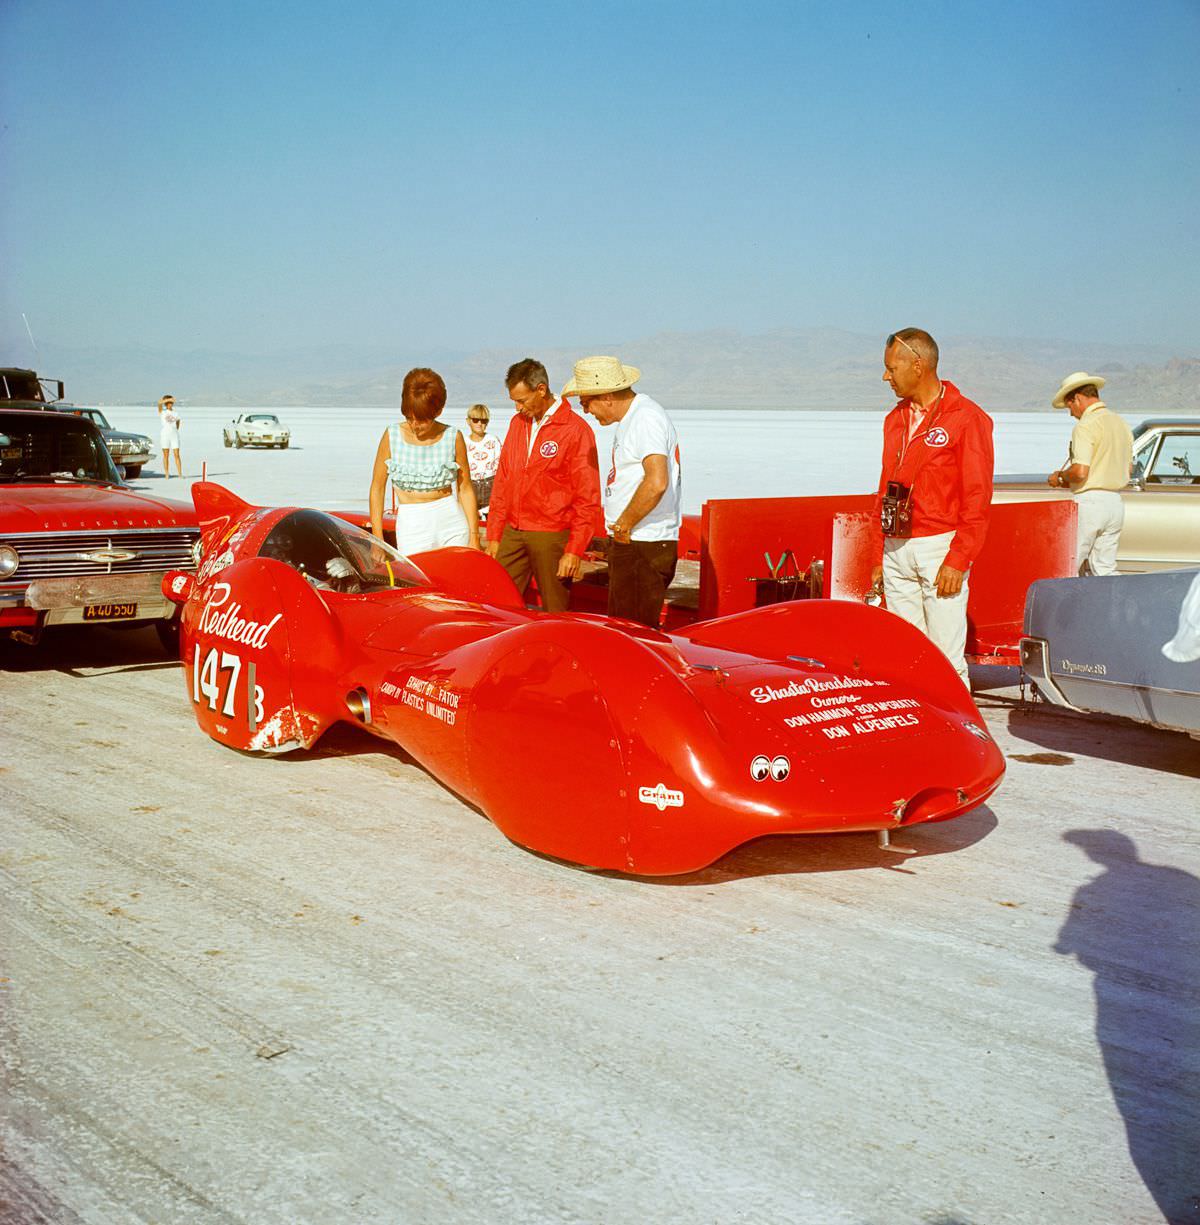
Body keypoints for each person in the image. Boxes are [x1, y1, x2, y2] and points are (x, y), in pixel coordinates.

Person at [869, 328, 993, 686]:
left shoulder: (966, 418)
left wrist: (959, 558)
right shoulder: (895, 420)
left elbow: (977, 495)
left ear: (918, 366)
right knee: (906, 654)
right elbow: (883, 488)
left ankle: (958, 734)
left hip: (939, 550)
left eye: (892, 368)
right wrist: (879, 554)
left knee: (945, 658)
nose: (886, 376)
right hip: (897, 549)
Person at [567, 355, 681, 628]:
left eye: (586, 403)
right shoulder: (634, 418)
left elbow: (656, 481)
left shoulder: (645, 418)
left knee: (634, 633)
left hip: (643, 542)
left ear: (606, 396)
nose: (586, 411)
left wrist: (624, 526)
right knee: (623, 627)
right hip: (635, 540)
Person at [485, 358, 601, 613]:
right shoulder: (518, 424)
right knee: (496, 604)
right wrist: (494, 534)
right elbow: (504, 480)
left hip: (551, 534)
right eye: (514, 401)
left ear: (541, 389)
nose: (518, 407)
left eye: (522, 400)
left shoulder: (575, 430)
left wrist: (574, 550)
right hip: (513, 532)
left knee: (555, 609)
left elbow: (588, 496)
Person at [369, 367, 479, 555]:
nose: (414, 425)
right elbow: (377, 488)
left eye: (420, 420)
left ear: (438, 411)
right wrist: (377, 539)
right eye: (409, 417)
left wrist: (474, 536)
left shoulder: (453, 436)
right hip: (412, 524)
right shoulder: (392, 435)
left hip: (451, 520)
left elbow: (465, 488)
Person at [1047, 372, 1134, 577]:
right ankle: (1113, 607)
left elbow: (1080, 471)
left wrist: (1060, 477)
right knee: (1105, 567)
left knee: (1069, 563)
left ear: (1077, 399)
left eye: (1070, 407)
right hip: (1115, 502)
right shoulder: (1121, 423)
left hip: (1090, 502)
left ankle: (1066, 608)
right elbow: (1128, 468)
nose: (1071, 413)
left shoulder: (1086, 425)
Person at [464, 403, 501, 511]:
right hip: (471, 486)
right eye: (475, 420)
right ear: (468, 421)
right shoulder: (463, 442)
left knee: (490, 520)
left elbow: (501, 465)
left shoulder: (493, 440)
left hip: (490, 485)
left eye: (484, 421)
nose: (479, 424)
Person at [158, 395, 182, 478]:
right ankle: (167, 473)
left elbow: (178, 422)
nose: (170, 404)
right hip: (165, 435)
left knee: (177, 454)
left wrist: (176, 429)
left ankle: (180, 474)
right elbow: (159, 403)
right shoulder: (163, 412)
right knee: (166, 455)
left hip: (174, 435)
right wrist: (167, 399)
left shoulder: (176, 413)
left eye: (171, 403)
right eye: (168, 403)